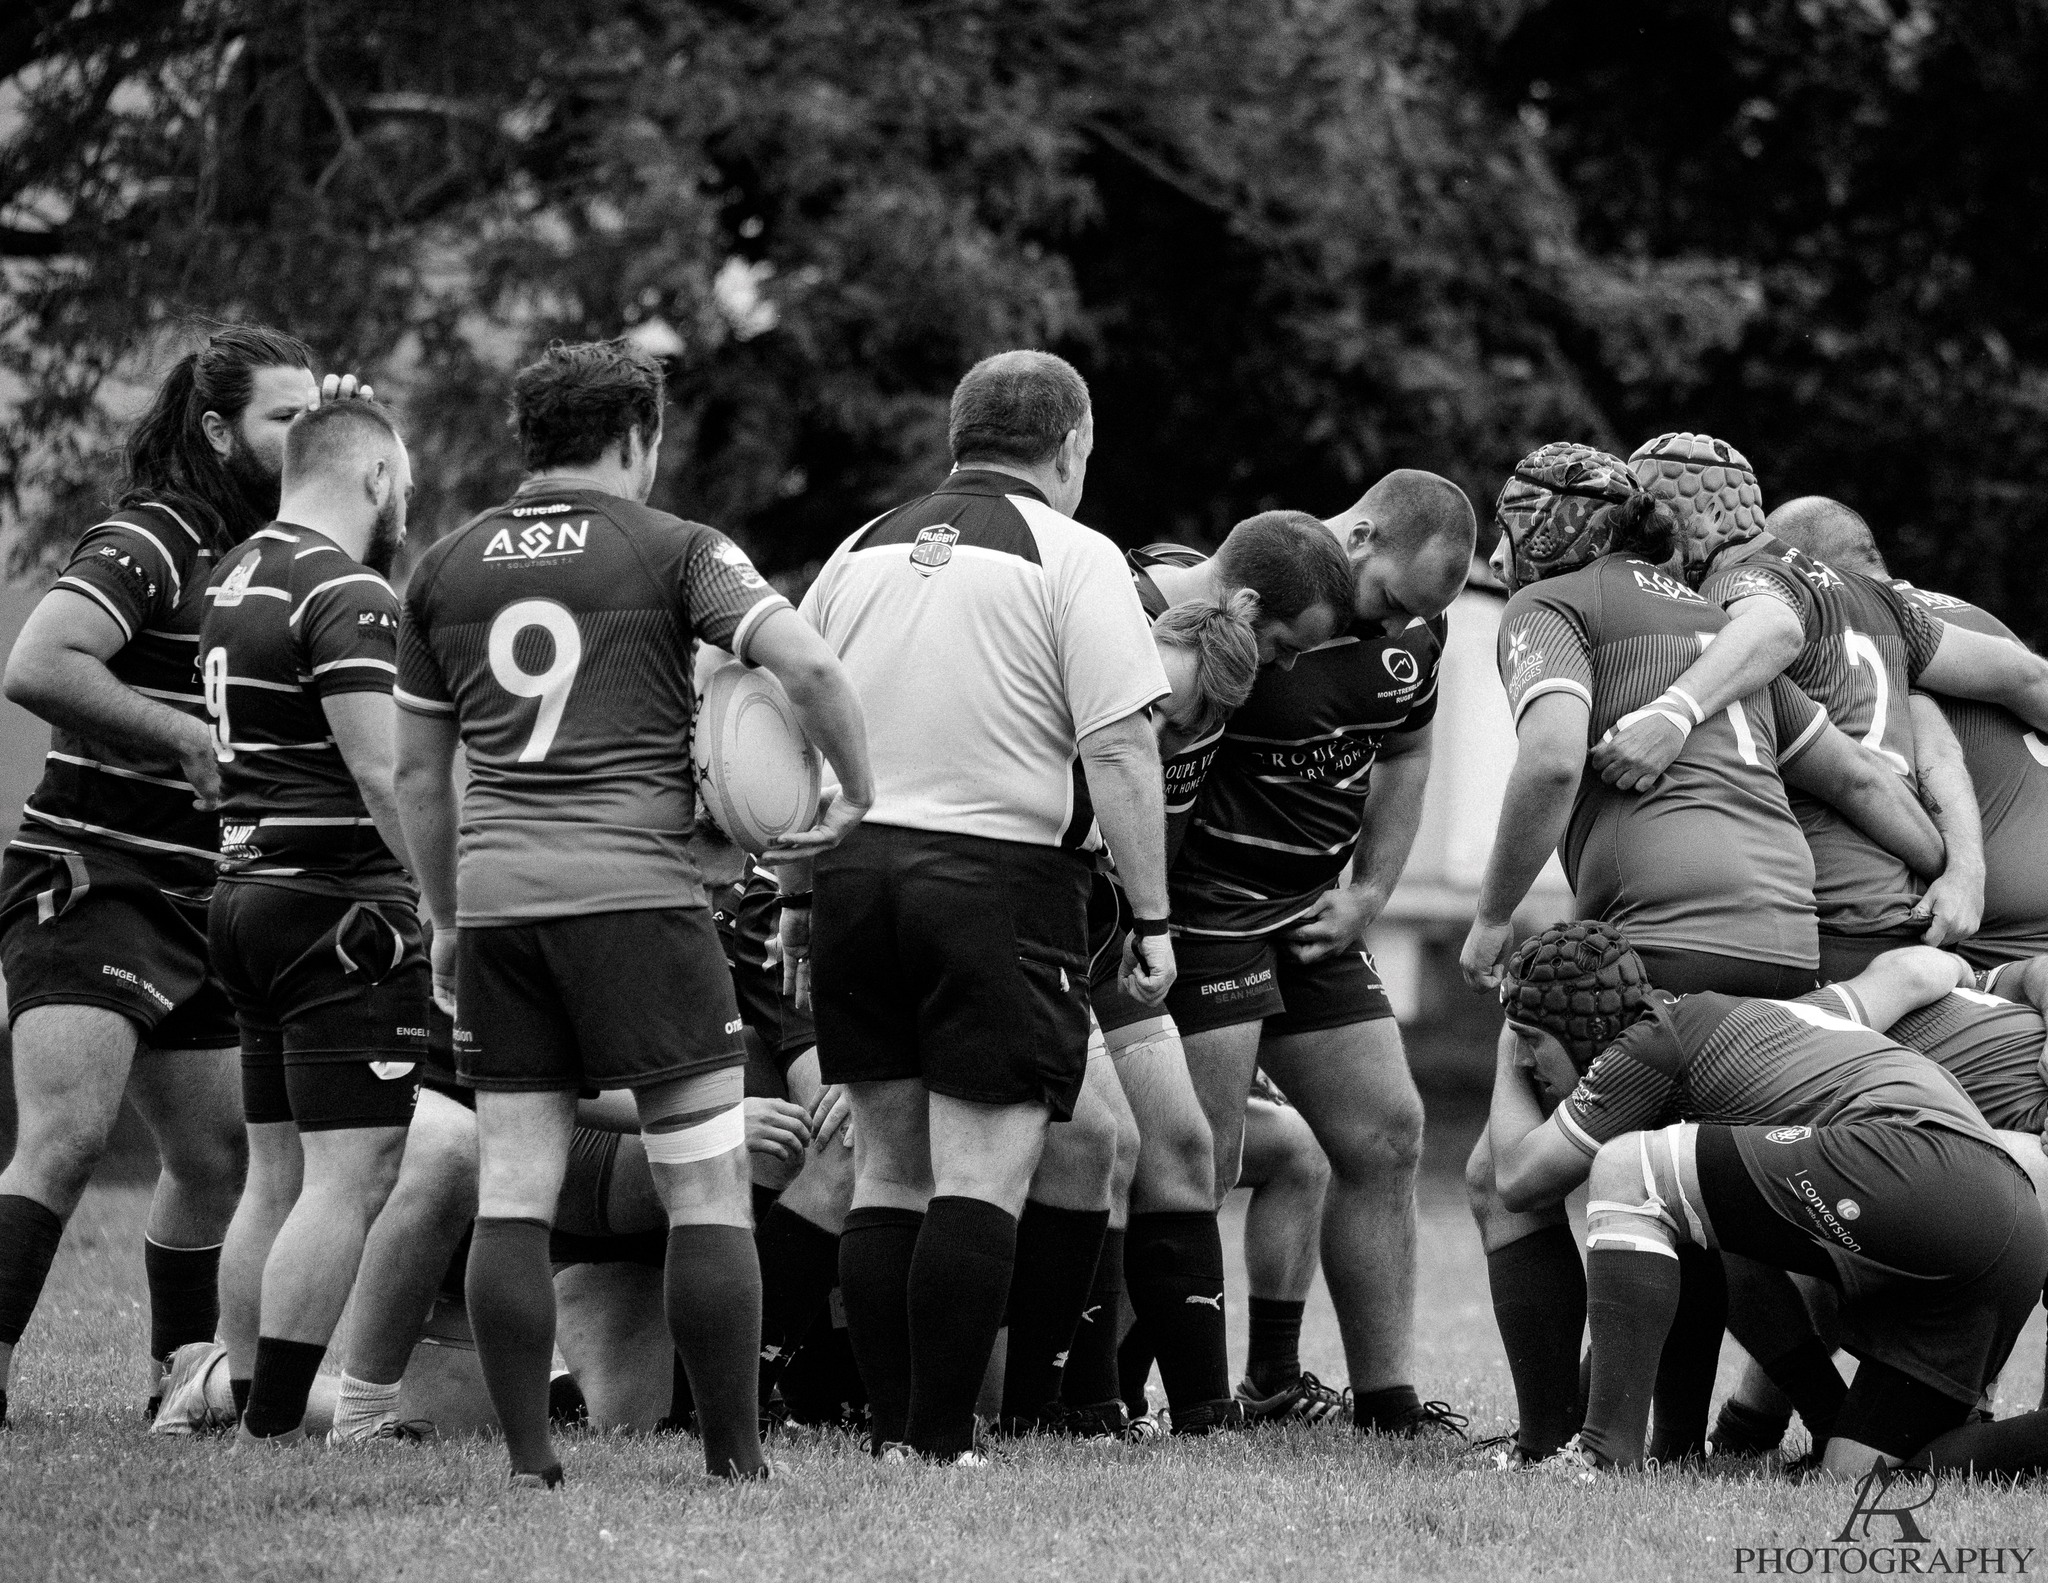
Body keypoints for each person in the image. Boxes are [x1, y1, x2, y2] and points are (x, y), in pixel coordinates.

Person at [394, 338, 874, 1489]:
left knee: (513, 1183)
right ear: (636, 437)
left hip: (503, 906)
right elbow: (805, 663)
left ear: (531, 439)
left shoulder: (442, 568)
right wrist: (860, 792)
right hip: (644, 905)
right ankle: (733, 1461)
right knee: (704, 1177)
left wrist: (448, 917)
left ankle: (527, 1462)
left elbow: (418, 778)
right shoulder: (678, 551)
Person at [1456, 442, 1948, 1462]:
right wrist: (1947, 869)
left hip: (1663, 934)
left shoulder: (1549, 607)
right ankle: (1703, 1434)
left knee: (1502, 1175)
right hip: (1780, 940)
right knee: (1681, 1193)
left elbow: (1550, 759)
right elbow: (1858, 784)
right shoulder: (1714, 623)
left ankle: (1548, 1440)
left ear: (1538, 526)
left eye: (1506, 522)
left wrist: (1491, 915)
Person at [791, 348, 1176, 1464]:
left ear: (957, 436)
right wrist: (1149, 916)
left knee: (889, 1167)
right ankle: (945, 1436)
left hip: (857, 872)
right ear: (1070, 446)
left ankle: (893, 1438)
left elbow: (788, 722)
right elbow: (1117, 739)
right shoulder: (1074, 553)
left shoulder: (857, 547)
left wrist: (792, 889)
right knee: (980, 1171)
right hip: (997, 880)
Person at [0, 324, 370, 1426]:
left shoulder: (292, 552)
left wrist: (350, 445)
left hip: (215, 891)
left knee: (213, 1155)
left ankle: (183, 1378)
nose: (302, 432)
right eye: (282, 417)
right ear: (216, 430)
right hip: (97, 872)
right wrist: (179, 737)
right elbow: (39, 660)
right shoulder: (157, 532)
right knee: (66, 1136)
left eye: (317, 413)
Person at [1488, 921, 2048, 1480]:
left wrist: (1505, 1040)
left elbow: (1516, 1179)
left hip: (1929, 1164)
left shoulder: (1652, 1040)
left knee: (1629, 1168)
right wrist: (1964, 969)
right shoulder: (1783, 1023)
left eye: (1533, 1042)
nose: (1525, 1064)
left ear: (1586, 1030)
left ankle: (1602, 1457)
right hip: (2009, 1225)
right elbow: (1742, 1278)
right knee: (1851, 1479)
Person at [1165, 468, 1477, 1438]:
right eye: (1390, 596)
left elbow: (1408, 754)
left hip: (1313, 918)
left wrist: (1371, 893)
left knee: (1386, 1131)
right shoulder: (1245, 601)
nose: (1397, 625)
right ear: (1361, 535)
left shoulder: (1416, 635)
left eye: (1418, 614)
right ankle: (1165, 1396)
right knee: (1200, 1157)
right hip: (1205, 913)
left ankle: (1383, 1399)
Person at [1595, 434, 2048, 977]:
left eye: (1655, 522)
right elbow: (2018, 681)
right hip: (1916, 901)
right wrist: (1960, 868)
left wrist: (1673, 712)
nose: (1646, 546)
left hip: (1842, 907)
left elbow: (1780, 635)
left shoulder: (1736, 586)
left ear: (1715, 510)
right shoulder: (1881, 602)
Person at [196, 399, 426, 1444]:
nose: (404, 504)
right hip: (336, 908)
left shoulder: (235, 575)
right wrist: (444, 903)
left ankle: (245, 1396)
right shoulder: (346, 589)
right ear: (375, 474)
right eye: (405, 485)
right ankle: (274, 1424)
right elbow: (384, 773)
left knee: (275, 1168)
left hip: (243, 890)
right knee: (355, 1171)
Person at [1767, 498, 2048, 969]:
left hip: (1994, 923)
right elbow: (2028, 679)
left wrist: (1966, 870)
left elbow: (1936, 749)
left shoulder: (1854, 627)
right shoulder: (1973, 618)